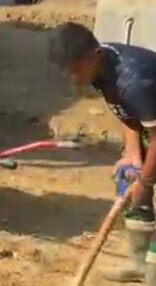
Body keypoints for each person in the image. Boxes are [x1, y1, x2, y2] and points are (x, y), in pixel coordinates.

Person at [49, 22, 156, 284]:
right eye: (68, 71)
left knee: (143, 185)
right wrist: (133, 155)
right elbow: (124, 110)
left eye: (76, 70)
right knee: (128, 178)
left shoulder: (134, 81)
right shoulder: (100, 67)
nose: (73, 78)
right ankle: (139, 264)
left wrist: (145, 182)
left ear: (94, 55)